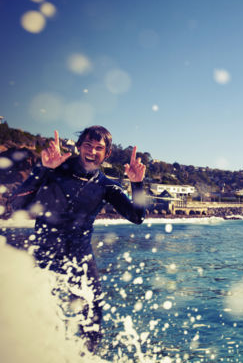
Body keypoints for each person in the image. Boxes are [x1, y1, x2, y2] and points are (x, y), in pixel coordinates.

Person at [10, 126, 147, 353]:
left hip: (80, 260)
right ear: (78, 146)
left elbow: (138, 216)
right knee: (34, 316)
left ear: (107, 154)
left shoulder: (106, 186)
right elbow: (17, 205)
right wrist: (43, 170)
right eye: (88, 146)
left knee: (92, 324)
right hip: (44, 257)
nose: (92, 152)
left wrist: (137, 184)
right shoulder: (54, 169)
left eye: (99, 148)